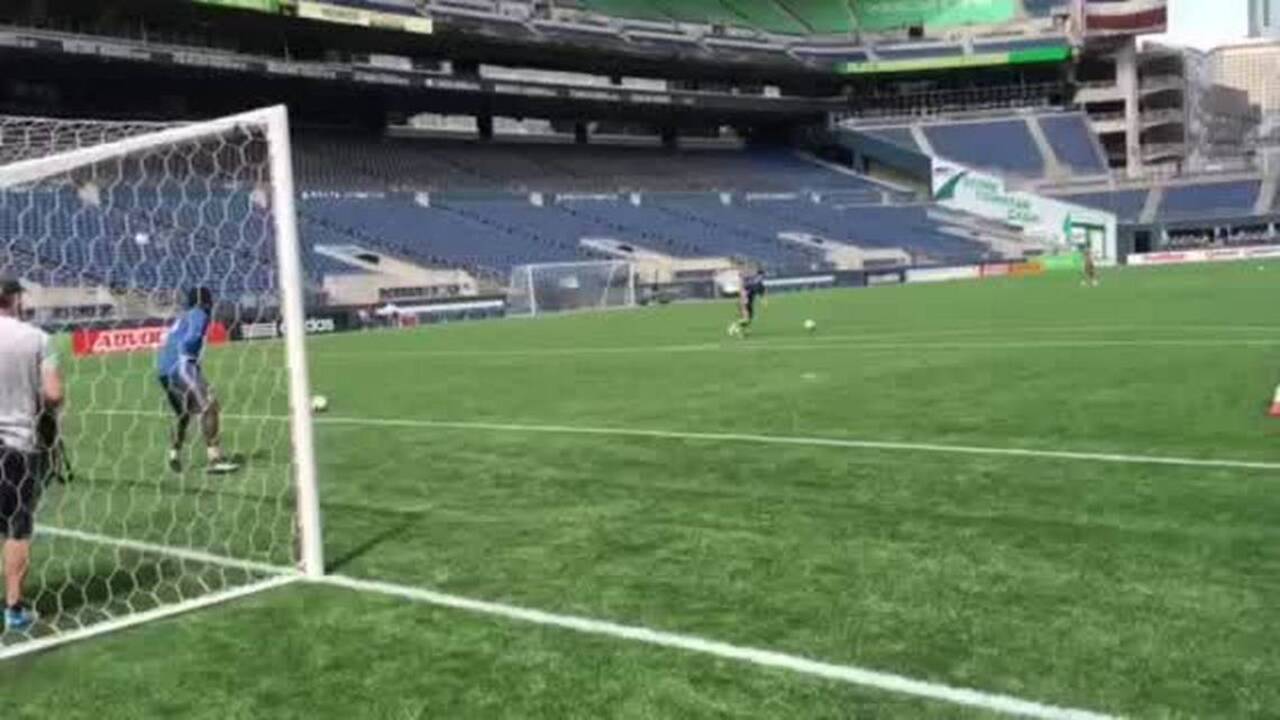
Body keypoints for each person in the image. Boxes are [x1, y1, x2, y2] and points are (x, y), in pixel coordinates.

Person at [0, 274, 63, 632]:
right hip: (17, 448)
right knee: (16, 528)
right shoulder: (37, 338)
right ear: (13, 299)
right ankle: (14, 609)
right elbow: (53, 394)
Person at [156, 287, 239, 475]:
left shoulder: (183, 317)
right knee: (209, 406)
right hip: (182, 365)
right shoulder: (199, 314)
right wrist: (188, 358)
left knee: (184, 414)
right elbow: (192, 337)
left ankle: (174, 454)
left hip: (163, 369)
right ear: (205, 302)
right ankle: (215, 460)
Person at [728, 267, 767, 337]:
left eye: (763, 276)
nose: (763, 277)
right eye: (762, 276)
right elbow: (742, 288)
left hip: (749, 303)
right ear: (758, 275)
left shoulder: (760, 285)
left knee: (749, 319)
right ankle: (734, 327)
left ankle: (742, 330)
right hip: (744, 302)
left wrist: (763, 301)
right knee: (746, 319)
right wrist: (744, 298)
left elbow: (761, 294)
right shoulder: (752, 282)